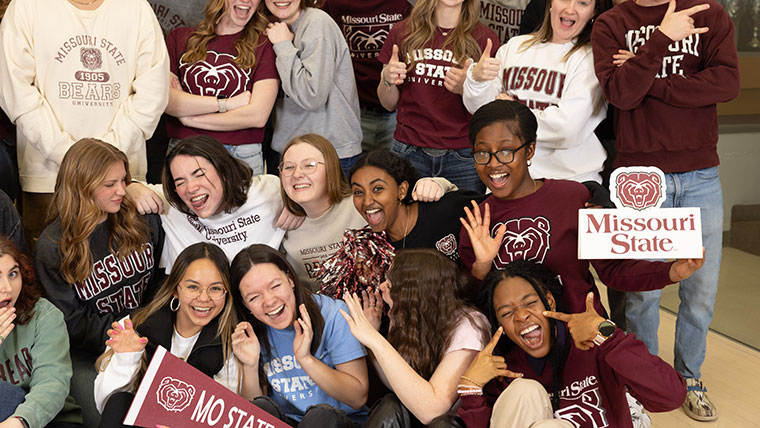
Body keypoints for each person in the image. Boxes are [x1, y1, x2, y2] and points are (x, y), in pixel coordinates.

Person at [590, 0, 740, 420]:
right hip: (639, 177)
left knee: (701, 292)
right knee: (641, 292)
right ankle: (645, 381)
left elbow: (726, 83)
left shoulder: (708, 12)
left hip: (699, 173)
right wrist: (659, 41)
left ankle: (689, 377)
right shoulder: (611, 23)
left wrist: (648, 77)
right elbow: (620, 93)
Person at [458, 100, 703, 317]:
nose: (493, 164)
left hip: (583, 334)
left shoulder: (574, 197)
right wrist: (482, 266)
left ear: (530, 149)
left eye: (505, 152)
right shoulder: (477, 220)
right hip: (519, 347)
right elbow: (474, 305)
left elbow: (613, 272)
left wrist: (672, 271)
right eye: (482, 153)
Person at [0, 0, 169, 248]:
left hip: (122, 180)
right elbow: (17, 94)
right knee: (51, 270)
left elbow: (152, 95)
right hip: (50, 180)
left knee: (120, 268)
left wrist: (106, 164)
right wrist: (72, 158)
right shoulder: (27, 6)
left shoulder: (136, 8)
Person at [457, 260, 686, 428]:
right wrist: (471, 388)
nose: (521, 316)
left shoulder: (594, 345)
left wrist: (608, 337)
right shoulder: (503, 367)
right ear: (499, 323)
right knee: (524, 391)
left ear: (549, 301)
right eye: (507, 313)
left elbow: (671, 396)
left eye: (530, 303)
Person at [34, 139, 164, 428]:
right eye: (110, 184)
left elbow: (157, 282)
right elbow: (71, 321)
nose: (122, 190)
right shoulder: (52, 246)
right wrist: (126, 338)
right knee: (107, 416)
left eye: (124, 181)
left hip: (150, 334)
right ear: (81, 187)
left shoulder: (139, 219)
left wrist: (147, 331)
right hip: (94, 350)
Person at [94, 242, 249, 427]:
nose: (204, 298)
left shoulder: (231, 344)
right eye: (193, 287)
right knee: (120, 401)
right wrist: (126, 359)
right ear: (175, 289)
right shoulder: (134, 326)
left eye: (215, 288)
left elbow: (222, 421)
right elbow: (106, 405)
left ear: (226, 294)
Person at [462, 0, 610, 184]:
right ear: (550, 3)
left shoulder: (592, 58)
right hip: (506, 179)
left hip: (569, 180)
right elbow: (481, 114)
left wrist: (512, 113)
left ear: (593, 12)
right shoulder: (514, 47)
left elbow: (566, 128)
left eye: (582, 3)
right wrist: (478, 80)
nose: (570, 9)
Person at [340, 248, 490, 427]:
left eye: (390, 283)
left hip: (455, 424)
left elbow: (432, 410)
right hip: (422, 420)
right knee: (391, 404)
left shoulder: (469, 325)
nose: (381, 287)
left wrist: (376, 341)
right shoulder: (415, 319)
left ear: (412, 293)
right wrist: (373, 341)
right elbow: (399, 387)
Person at [280, 135, 449, 288]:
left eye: (309, 165)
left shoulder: (361, 202)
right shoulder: (279, 221)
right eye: (288, 167)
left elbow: (409, 204)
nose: (297, 174)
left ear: (331, 167)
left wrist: (440, 184)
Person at [230, 244, 369, 427]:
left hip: (336, 421)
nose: (269, 301)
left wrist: (306, 359)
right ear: (245, 304)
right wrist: (250, 365)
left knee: (319, 416)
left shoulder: (334, 314)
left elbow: (358, 397)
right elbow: (252, 417)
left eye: (275, 286)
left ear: (290, 280)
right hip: (290, 422)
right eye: (254, 297)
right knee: (260, 407)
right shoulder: (251, 333)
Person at [377, 0, 499, 193]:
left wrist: (467, 87)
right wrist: (388, 79)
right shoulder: (402, 31)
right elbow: (388, 104)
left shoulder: (485, 39)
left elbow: (488, 110)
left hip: (464, 155)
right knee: (407, 221)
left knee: (463, 221)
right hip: (409, 149)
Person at [127, 135, 296, 272]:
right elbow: (122, 187)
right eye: (180, 181)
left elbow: (312, 190)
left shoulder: (268, 191)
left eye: (199, 174)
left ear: (223, 171)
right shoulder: (171, 202)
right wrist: (132, 187)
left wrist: (296, 205)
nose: (191, 188)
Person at [164, 0, 279, 175]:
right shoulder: (179, 38)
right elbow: (167, 101)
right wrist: (227, 104)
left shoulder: (264, 45)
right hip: (184, 151)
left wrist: (190, 119)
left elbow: (257, 115)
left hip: (240, 155)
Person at [263, 0, 362, 176]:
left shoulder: (316, 22)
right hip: (285, 151)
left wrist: (283, 45)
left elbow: (312, 95)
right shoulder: (271, 26)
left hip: (329, 153)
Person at [0, 237, 82, 428]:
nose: (8, 288)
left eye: (13, 274)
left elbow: (52, 381)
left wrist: (20, 423)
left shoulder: (44, 315)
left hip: (53, 419)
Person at [350, 150, 480, 260]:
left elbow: (496, 206)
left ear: (401, 191)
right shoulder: (372, 249)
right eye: (358, 192)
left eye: (377, 189)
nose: (367, 201)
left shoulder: (445, 209)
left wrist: (446, 185)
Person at [321, 0, 412, 152]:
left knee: (395, 172)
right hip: (354, 111)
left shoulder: (406, 3)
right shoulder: (334, 3)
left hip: (399, 111)